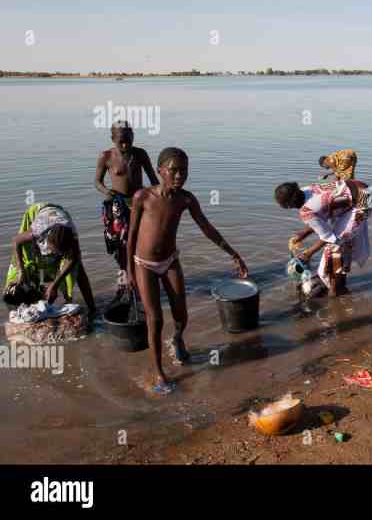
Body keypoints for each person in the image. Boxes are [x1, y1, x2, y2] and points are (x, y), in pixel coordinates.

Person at [127, 147, 248, 395]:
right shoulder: (143, 197)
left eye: (184, 170)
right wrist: (128, 271)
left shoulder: (186, 199)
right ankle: (159, 372)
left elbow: (207, 228)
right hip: (143, 264)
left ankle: (178, 338)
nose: (180, 175)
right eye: (174, 170)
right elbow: (130, 239)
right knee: (155, 319)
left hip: (170, 260)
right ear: (161, 171)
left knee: (181, 312)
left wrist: (233, 253)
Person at [276, 180, 372, 297]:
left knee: (335, 246)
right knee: (341, 241)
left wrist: (308, 254)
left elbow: (328, 236)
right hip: (361, 189)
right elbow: (321, 214)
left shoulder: (306, 212)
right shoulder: (306, 190)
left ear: (289, 206)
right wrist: (303, 234)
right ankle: (337, 281)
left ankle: (338, 289)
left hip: (363, 202)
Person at [95, 121, 158, 297]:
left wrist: (159, 199)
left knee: (140, 243)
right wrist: (107, 191)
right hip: (117, 206)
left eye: (129, 140)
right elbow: (97, 181)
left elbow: (153, 179)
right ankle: (123, 282)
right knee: (120, 247)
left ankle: (141, 279)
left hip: (139, 204)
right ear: (113, 139)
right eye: (121, 141)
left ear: (133, 138)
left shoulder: (140, 154)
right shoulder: (106, 156)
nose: (125, 145)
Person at [4, 203, 96, 317]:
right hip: (38, 214)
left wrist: (55, 284)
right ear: (47, 241)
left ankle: (92, 308)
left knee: (77, 268)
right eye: (54, 251)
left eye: (59, 253)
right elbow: (16, 242)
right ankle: (28, 299)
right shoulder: (38, 230)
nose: (55, 254)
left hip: (60, 217)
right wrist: (20, 270)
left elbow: (74, 258)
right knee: (28, 265)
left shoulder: (72, 236)